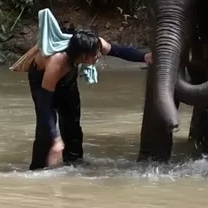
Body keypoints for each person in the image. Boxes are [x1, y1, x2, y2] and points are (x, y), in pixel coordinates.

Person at [28, 29, 152, 170]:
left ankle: (74, 163)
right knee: (45, 130)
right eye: (94, 54)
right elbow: (45, 104)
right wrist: (55, 139)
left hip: (67, 79)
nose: (99, 56)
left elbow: (118, 51)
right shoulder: (58, 63)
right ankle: (37, 169)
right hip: (42, 81)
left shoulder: (96, 44)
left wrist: (144, 57)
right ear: (82, 56)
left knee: (72, 122)